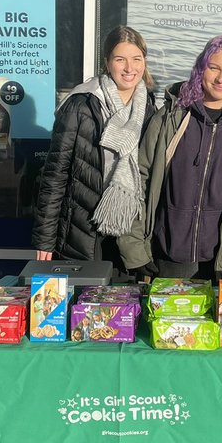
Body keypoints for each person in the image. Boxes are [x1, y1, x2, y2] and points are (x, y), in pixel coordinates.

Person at [120, 35, 222, 283]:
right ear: (201, 68)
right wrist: (134, 248)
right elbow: (137, 181)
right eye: (214, 68)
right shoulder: (170, 117)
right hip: (169, 256)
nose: (221, 79)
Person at [32, 25, 156, 266]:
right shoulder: (81, 105)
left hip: (129, 229)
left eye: (136, 59)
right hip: (84, 230)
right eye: (120, 59)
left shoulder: (148, 107)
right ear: (107, 62)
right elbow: (55, 175)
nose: (129, 68)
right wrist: (45, 240)